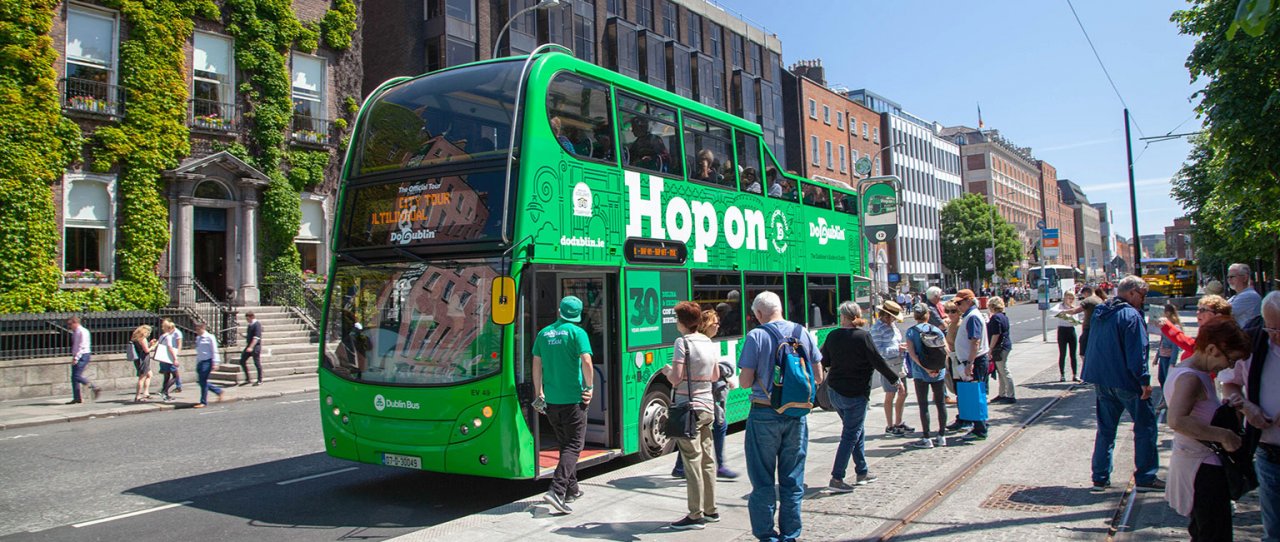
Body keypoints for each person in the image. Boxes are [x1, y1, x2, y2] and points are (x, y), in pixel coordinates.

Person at [738, 291, 823, 542]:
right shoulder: (802, 332)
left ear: (759, 314)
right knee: (792, 479)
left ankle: (766, 535)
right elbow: (818, 376)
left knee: (763, 479)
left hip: (764, 413)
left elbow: (744, 382)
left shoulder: (756, 335)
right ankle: (791, 534)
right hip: (796, 415)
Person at [1164, 316, 1252, 541]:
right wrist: (1224, 435)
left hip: (1197, 464)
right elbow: (1177, 420)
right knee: (1213, 533)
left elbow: (1198, 413)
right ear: (1212, 349)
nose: (1229, 366)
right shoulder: (1191, 378)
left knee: (1206, 531)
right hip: (1202, 468)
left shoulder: (1192, 372)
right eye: (1230, 359)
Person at [1081, 276, 1163, 493]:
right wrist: (1144, 381)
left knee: (1106, 430)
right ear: (1133, 292)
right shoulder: (1131, 316)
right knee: (1145, 426)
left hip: (1103, 380)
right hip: (1126, 381)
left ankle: (1099, 477)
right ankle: (1145, 476)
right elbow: (1137, 353)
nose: (1143, 301)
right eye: (1142, 296)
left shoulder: (1101, 312)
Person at [820, 301, 899, 493]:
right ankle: (837, 477)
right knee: (850, 434)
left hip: (835, 392)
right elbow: (878, 361)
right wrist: (894, 379)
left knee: (856, 430)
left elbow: (824, 361)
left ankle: (862, 471)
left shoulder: (833, 336)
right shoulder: (863, 337)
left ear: (843, 317)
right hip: (855, 394)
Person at [1222, 291, 1280, 541]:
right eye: (1272, 329)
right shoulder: (1254, 342)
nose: (1276, 336)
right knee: (1274, 530)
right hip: (1269, 451)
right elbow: (1230, 385)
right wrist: (1246, 406)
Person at [662, 302, 724, 530]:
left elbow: (676, 378)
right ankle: (711, 509)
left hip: (689, 408)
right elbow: (716, 374)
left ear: (682, 322)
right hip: (707, 406)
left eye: (677, 319)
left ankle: (695, 515)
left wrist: (668, 372)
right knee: (708, 460)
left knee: (692, 461)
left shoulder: (682, 342)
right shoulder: (707, 342)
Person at [532, 296, 594, 515]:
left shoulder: (543, 333)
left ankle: (572, 489)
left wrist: (539, 390)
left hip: (551, 401)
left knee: (564, 443)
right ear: (577, 314)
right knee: (574, 446)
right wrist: (590, 387)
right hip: (573, 399)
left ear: (559, 310)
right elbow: (586, 361)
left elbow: (536, 363)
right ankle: (557, 491)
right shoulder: (578, 333)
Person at [672, 309, 740, 481]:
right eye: (715, 323)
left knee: (691, 434)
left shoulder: (694, 342)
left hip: (700, 399)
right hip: (703, 399)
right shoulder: (700, 343)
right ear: (706, 325)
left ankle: (681, 467)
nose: (718, 327)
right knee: (717, 426)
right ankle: (719, 467)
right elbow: (710, 374)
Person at [904, 303, 950, 449]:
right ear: (928, 315)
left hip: (921, 373)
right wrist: (937, 368)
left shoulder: (911, 332)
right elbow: (946, 350)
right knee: (940, 403)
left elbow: (912, 354)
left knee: (923, 405)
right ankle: (942, 435)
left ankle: (926, 437)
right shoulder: (936, 330)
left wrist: (926, 368)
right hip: (938, 372)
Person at [953, 290, 990, 440]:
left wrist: (970, 363)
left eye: (959, 303)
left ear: (969, 301)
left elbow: (975, 341)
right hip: (975, 359)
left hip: (975, 360)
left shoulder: (972, 317)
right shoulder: (971, 315)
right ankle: (978, 425)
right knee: (975, 393)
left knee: (975, 394)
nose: (957, 306)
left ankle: (980, 428)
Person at [871, 301, 911, 436]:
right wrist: (897, 349)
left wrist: (901, 347)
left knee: (903, 393)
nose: (891, 319)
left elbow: (896, 341)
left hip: (899, 364)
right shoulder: (877, 328)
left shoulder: (892, 325)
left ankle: (898, 422)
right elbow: (878, 351)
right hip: (888, 365)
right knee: (891, 394)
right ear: (883, 315)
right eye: (889, 316)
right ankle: (890, 425)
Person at [1160, 295, 1232, 363]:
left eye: (1203, 310)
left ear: (1218, 316)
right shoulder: (1206, 332)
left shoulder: (1221, 335)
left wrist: (1167, 327)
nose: (1197, 312)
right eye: (1198, 309)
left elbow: (1194, 347)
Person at [987, 297, 1015, 404]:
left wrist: (990, 348)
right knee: (1001, 371)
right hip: (1005, 346)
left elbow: (996, 334)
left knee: (1003, 370)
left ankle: (1010, 395)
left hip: (1000, 347)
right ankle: (1002, 393)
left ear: (992, 306)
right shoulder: (1003, 316)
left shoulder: (995, 318)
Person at [66, 316, 100, 404]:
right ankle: (77, 398)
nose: (69, 326)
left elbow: (81, 346)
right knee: (74, 377)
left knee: (76, 376)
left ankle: (93, 387)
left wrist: (76, 358)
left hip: (83, 355)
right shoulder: (76, 332)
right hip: (78, 355)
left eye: (70, 324)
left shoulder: (82, 332)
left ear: (75, 323)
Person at [1050, 291, 1083, 382]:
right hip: (1062, 330)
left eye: (1072, 298)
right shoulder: (1060, 306)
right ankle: (1062, 374)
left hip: (1071, 330)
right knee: (1062, 353)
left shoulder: (1074, 308)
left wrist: (1073, 319)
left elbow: (1076, 319)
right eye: (1069, 298)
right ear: (1065, 298)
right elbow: (1052, 311)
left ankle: (1075, 374)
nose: (1071, 300)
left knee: (1073, 354)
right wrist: (1065, 312)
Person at [1153, 303, 1183, 398]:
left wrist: (1172, 362)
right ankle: (1165, 398)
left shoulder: (1174, 327)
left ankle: (1167, 399)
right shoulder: (1165, 327)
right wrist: (1157, 357)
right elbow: (1161, 342)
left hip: (1168, 357)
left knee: (1167, 380)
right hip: (1163, 356)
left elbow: (1175, 346)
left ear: (1168, 313)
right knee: (1161, 378)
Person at [192, 321, 225, 408]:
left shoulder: (210, 337)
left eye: (198, 329)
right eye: (196, 329)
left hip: (207, 362)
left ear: (203, 328)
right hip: (200, 361)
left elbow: (214, 350)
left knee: (203, 381)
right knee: (201, 381)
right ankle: (218, 391)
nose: (197, 331)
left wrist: (216, 363)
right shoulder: (198, 338)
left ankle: (203, 402)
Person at [1227, 262, 1262, 328]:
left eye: (1232, 277)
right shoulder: (1236, 296)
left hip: (1247, 336)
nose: (1229, 279)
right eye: (1228, 277)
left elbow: (1223, 312)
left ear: (1245, 278)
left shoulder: (1249, 295)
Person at [155, 319, 181, 401]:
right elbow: (170, 348)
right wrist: (175, 359)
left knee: (166, 376)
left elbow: (158, 346)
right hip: (168, 359)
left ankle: (165, 395)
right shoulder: (169, 337)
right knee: (175, 376)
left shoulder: (162, 336)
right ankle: (164, 391)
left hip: (162, 359)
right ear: (171, 329)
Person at [128, 325, 154, 403]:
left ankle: (146, 392)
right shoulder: (142, 339)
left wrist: (150, 344)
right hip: (143, 359)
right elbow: (146, 350)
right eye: (148, 332)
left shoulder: (137, 339)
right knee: (142, 377)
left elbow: (143, 347)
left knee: (149, 374)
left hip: (140, 359)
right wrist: (154, 346)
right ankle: (137, 396)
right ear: (144, 332)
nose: (148, 334)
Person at [239, 312, 263, 386]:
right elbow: (250, 335)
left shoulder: (257, 325)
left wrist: (251, 347)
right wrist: (244, 336)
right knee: (242, 361)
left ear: (251, 317)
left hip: (255, 347)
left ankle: (259, 380)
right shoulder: (250, 325)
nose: (247, 320)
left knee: (257, 363)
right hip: (249, 346)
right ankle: (248, 379)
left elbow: (256, 337)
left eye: (247, 318)